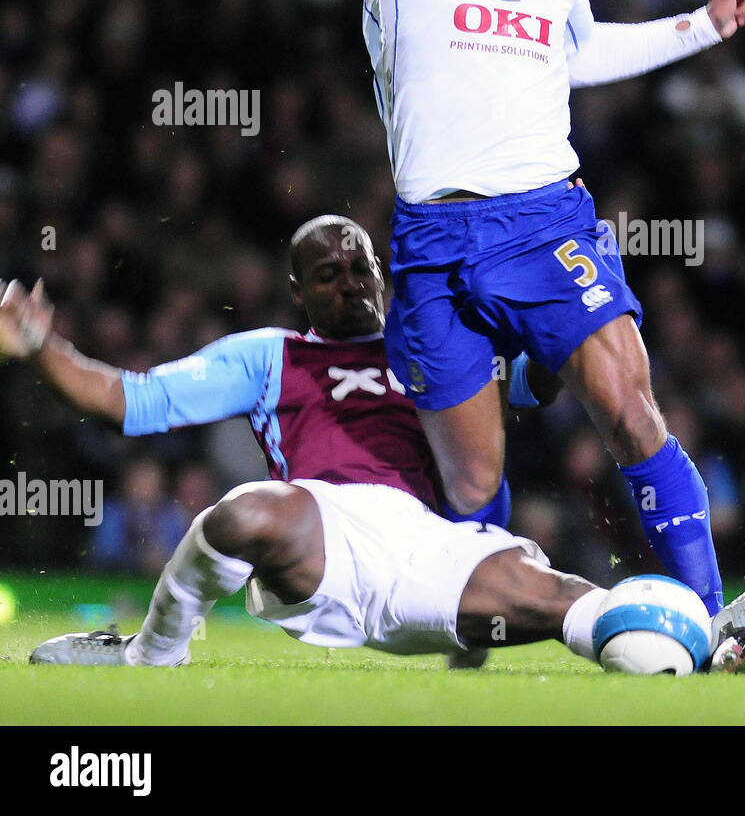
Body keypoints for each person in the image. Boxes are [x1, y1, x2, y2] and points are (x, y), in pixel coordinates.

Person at [229, 0, 745, 616]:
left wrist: (703, 25)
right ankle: (483, 639)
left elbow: (582, 57)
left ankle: (713, 619)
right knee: (474, 483)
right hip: (431, 237)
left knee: (633, 411)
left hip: (545, 220)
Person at [2, 216, 636, 669]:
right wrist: (39, 347)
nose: (351, 283)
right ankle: (152, 653)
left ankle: (708, 647)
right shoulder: (268, 355)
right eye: (329, 274)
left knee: (578, 603)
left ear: (383, 276)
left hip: (435, 550)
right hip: (323, 533)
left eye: (361, 268)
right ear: (298, 293)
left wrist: (569, 319)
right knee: (248, 509)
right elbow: (132, 403)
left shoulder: (435, 348)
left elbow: (538, 383)